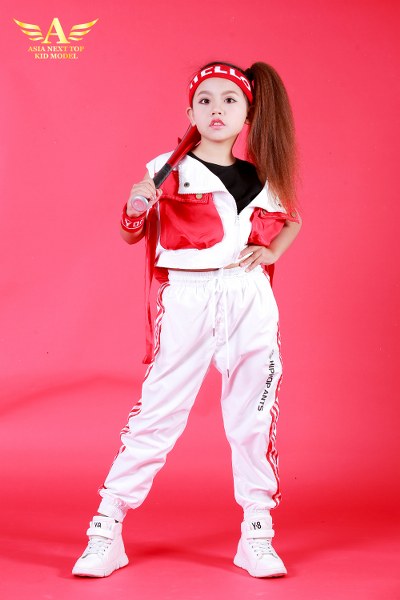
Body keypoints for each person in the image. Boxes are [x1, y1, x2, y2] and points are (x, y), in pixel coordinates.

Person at [72, 61, 301, 579]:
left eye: (229, 100)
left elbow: (293, 219)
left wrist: (270, 253)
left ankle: (257, 531)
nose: (217, 109)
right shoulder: (166, 169)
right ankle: (107, 527)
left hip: (248, 300)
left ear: (248, 115)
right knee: (159, 411)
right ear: (190, 111)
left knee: (253, 415)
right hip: (187, 298)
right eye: (205, 100)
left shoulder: (263, 176)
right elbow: (131, 231)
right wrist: (136, 205)